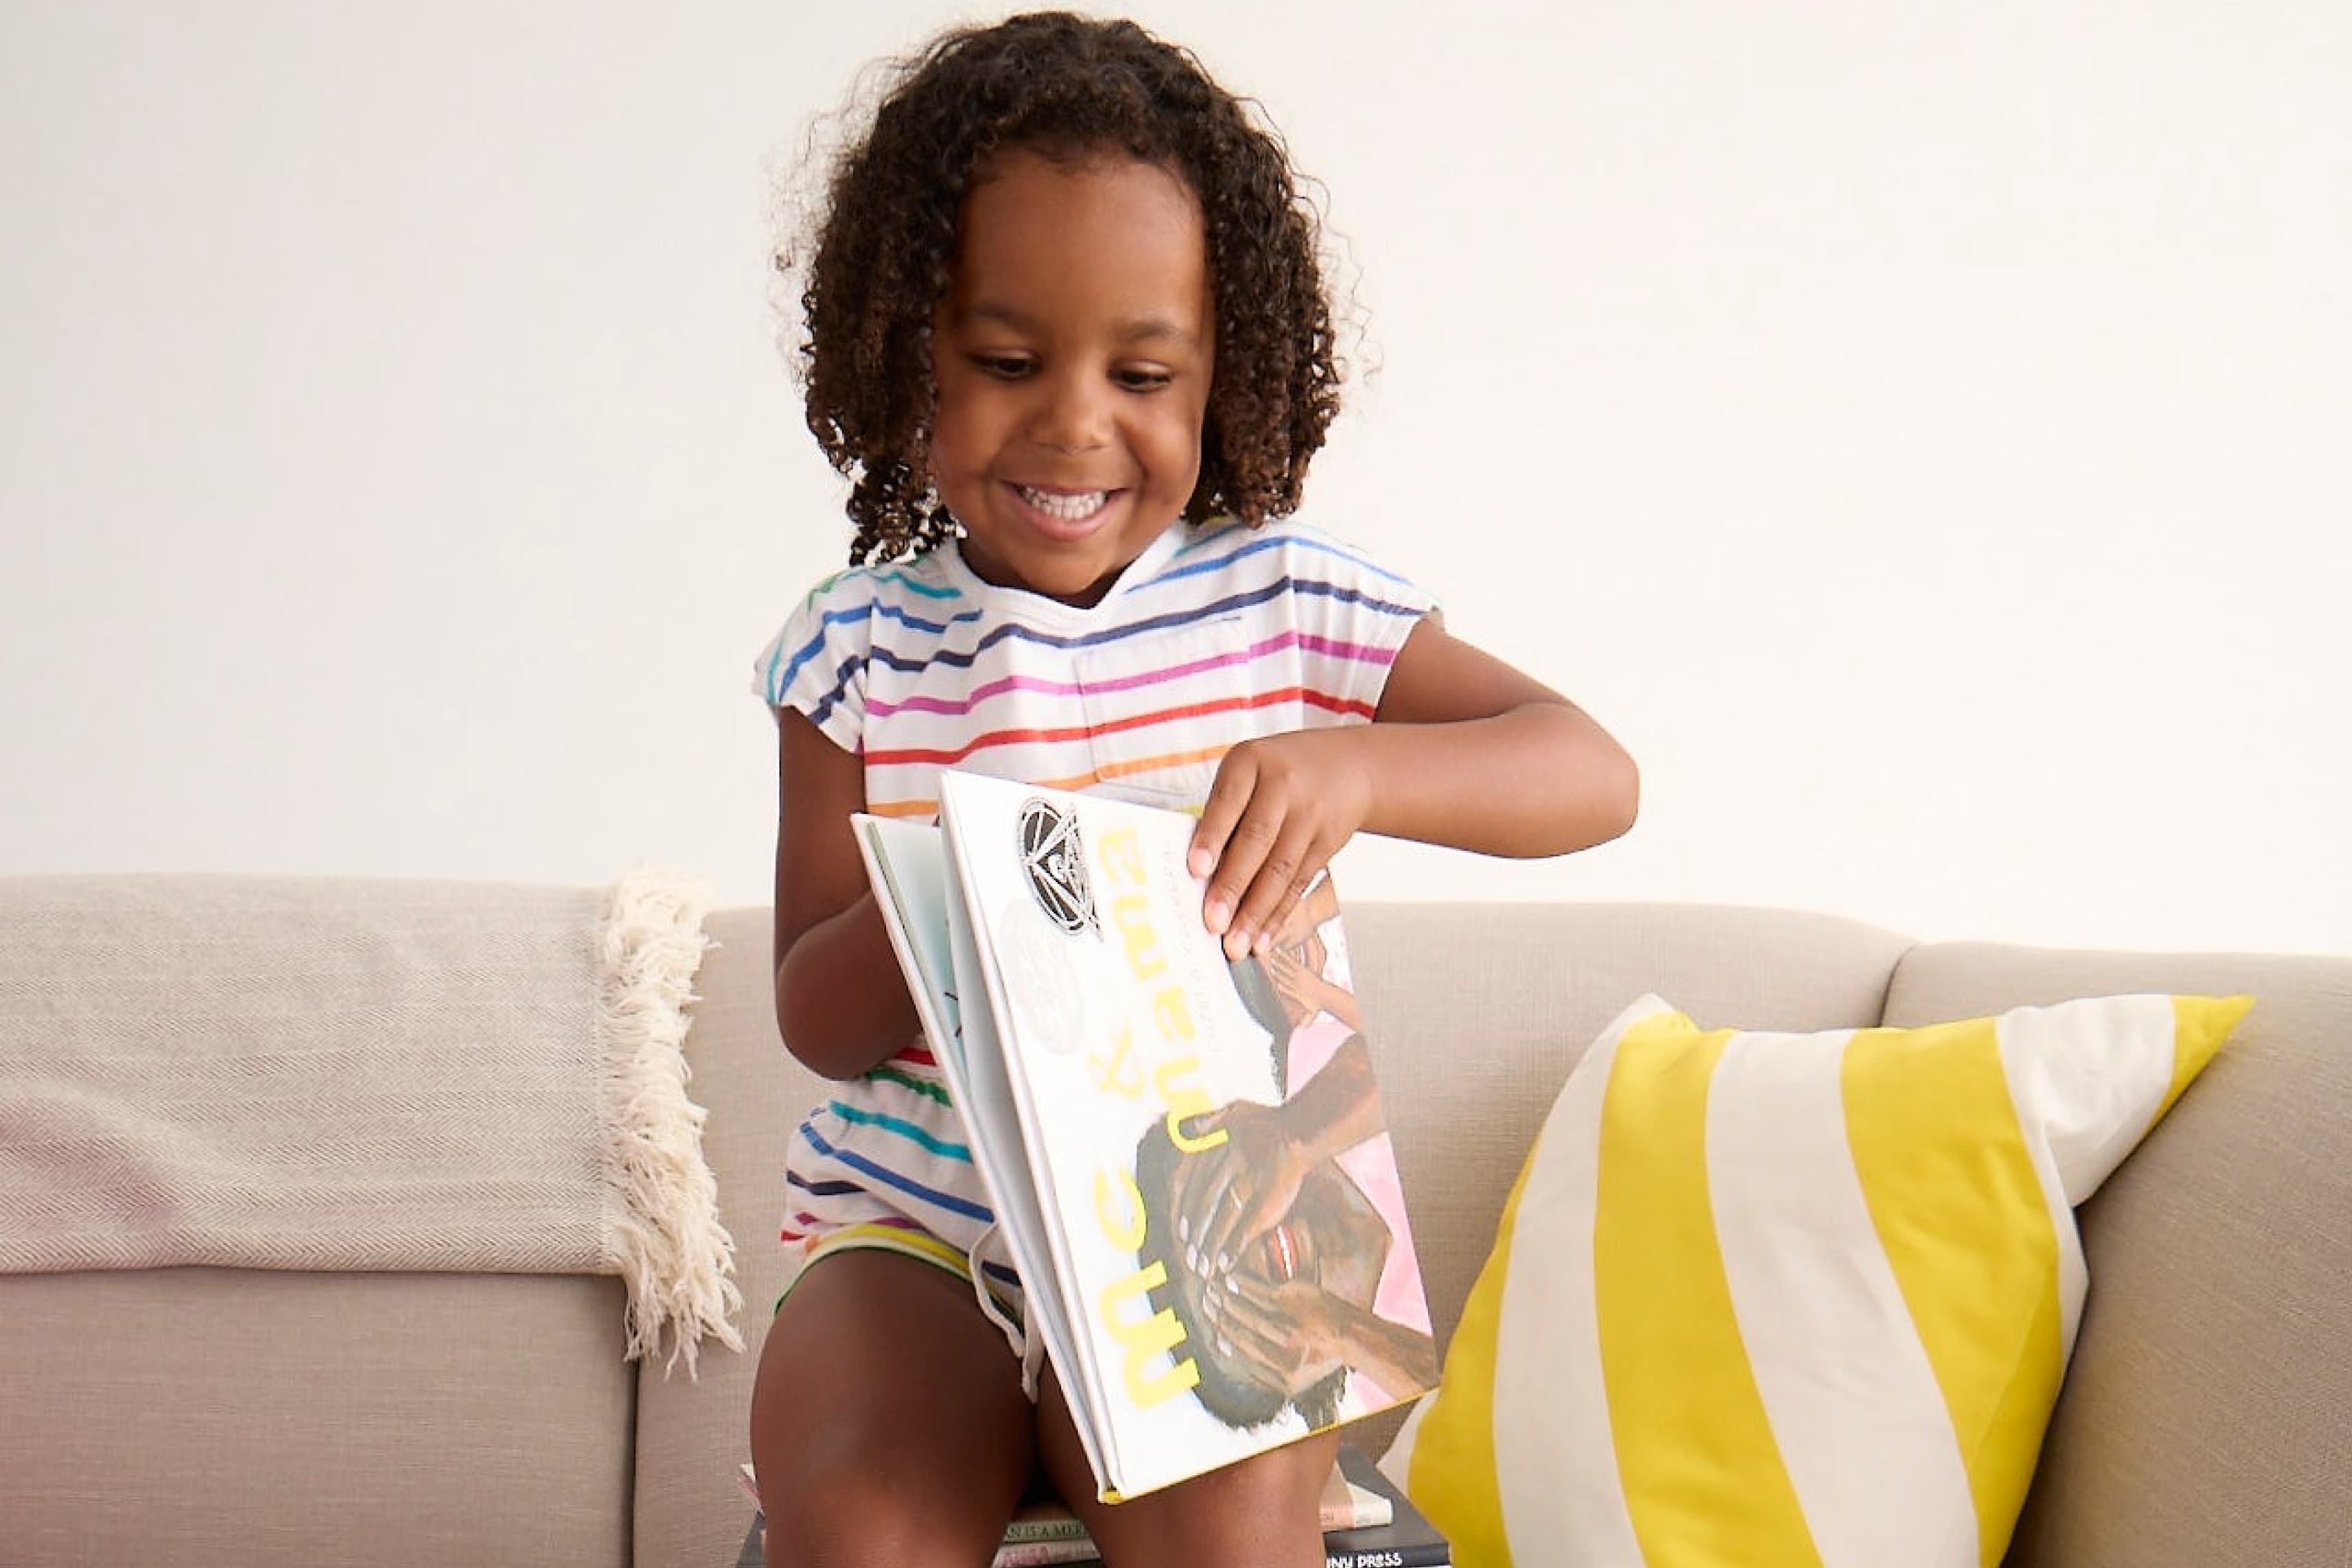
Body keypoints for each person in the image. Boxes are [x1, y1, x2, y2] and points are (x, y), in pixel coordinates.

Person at [747, 13, 1639, 1567]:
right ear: (910, 352)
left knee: (1236, 1523)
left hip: (1207, 1223)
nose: (1076, 422)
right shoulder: (860, 644)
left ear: (1220, 371)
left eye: (1140, 371)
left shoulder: (1286, 606)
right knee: (862, 1526)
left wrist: (1355, 765)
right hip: (913, 1243)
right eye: (1006, 362)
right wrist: (951, 885)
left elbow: (1591, 772)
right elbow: (813, 1020)